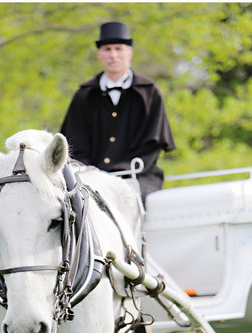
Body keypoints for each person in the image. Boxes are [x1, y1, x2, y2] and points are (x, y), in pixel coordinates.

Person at [60, 21, 175, 201]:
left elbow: (151, 147)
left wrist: (117, 174)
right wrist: (91, 174)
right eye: (107, 49)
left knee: (129, 204)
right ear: (99, 54)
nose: (113, 55)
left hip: (140, 176)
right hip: (90, 177)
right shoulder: (84, 95)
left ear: (129, 52)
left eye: (118, 49)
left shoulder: (149, 93)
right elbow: (75, 145)